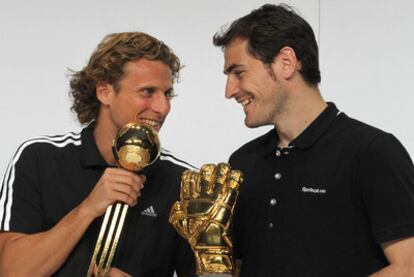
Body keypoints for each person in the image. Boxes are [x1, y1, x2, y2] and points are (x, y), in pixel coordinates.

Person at [213, 4, 414, 277]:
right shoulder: (242, 162)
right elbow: (237, 267)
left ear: (286, 62)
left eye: (239, 73)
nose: (230, 91)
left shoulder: (372, 152)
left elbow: (408, 266)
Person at [0, 32, 195, 277]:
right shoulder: (40, 158)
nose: (162, 107)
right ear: (104, 92)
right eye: (147, 91)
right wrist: (88, 208)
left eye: (167, 94)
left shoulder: (184, 181)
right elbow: (12, 271)